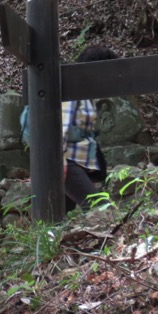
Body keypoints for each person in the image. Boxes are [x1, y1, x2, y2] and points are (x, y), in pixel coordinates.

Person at [62, 45, 118, 211]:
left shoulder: (84, 94)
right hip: (66, 162)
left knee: (58, 220)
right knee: (102, 211)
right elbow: (58, 129)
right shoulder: (71, 91)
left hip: (76, 163)